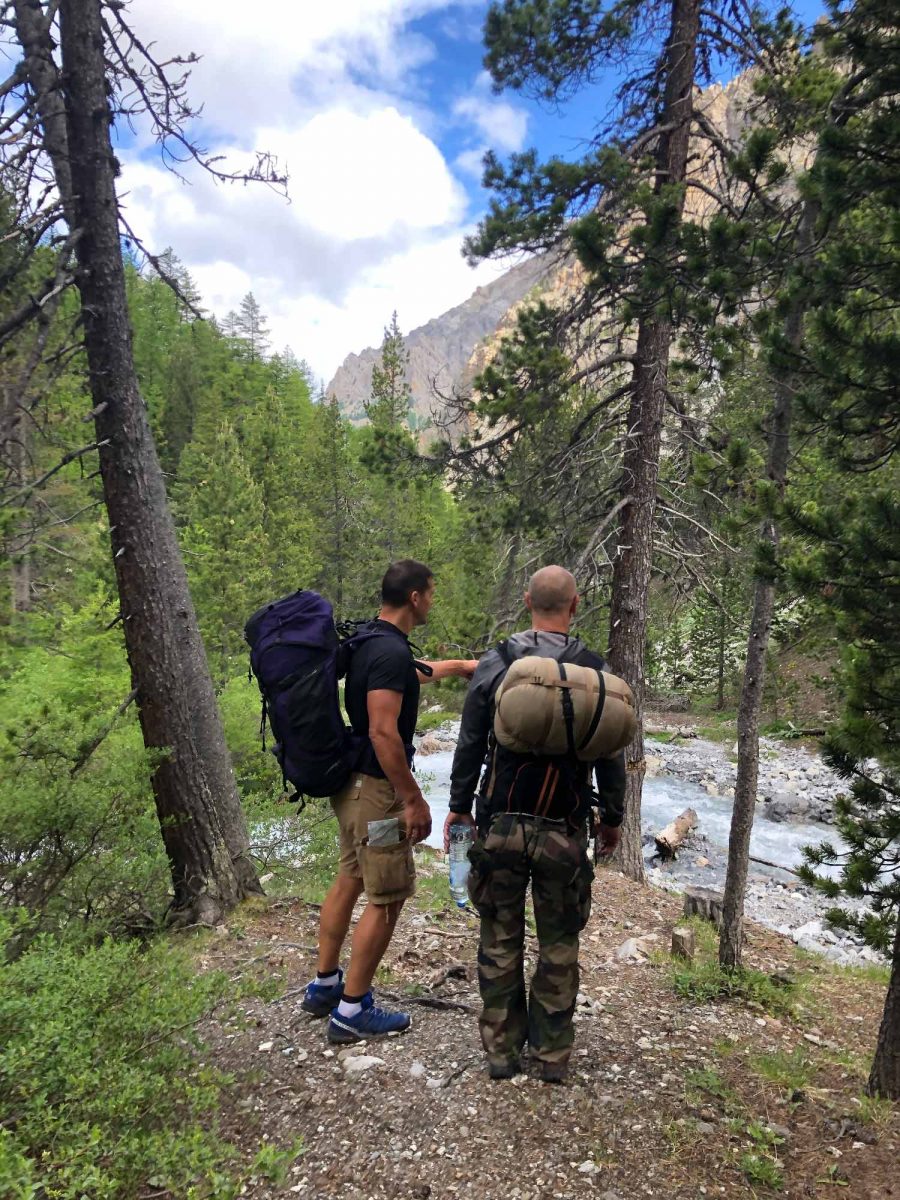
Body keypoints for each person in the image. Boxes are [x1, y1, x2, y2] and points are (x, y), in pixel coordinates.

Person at [444, 566, 626, 1083]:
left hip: (500, 824)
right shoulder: (595, 671)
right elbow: (611, 754)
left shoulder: (497, 662)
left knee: (499, 936)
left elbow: (469, 742)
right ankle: (551, 1057)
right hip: (565, 831)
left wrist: (459, 807)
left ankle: (501, 1052)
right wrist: (612, 818)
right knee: (559, 943)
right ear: (575, 605)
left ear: (527, 601)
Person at [303, 559, 477, 1043]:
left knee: (350, 877)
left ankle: (325, 986)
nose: (433, 601)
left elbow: (410, 673)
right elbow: (383, 730)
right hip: (377, 792)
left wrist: (463, 667)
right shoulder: (387, 652)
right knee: (387, 897)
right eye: (431, 593)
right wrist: (413, 800)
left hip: (352, 785)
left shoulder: (372, 641)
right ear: (416, 598)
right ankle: (353, 1010)